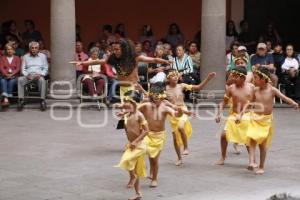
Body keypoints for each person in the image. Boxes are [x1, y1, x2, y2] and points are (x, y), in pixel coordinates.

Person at [75, 39, 171, 102]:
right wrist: (83, 63)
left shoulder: (134, 58)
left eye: (117, 49)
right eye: (114, 49)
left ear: (124, 49)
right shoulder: (113, 59)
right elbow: (99, 61)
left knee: (133, 116)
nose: (115, 51)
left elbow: (153, 60)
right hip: (122, 90)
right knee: (126, 119)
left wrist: (165, 61)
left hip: (134, 88)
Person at [247, 67, 298, 174]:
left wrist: (293, 103)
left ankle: (261, 166)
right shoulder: (255, 90)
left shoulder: (272, 90)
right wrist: (241, 113)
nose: (254, 80)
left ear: (263, 79)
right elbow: (249, 103)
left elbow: (284, 97)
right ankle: (251, 161)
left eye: (255, 78)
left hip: (266, 120)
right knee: (251, 138)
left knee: (262, 145)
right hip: (254, 118)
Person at [166, 70, 216, 165]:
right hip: (173, 113)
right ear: (168, 78)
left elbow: (198, 87)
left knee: (181, 127)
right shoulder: (165, 89)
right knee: (175, 138)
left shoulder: (181, 86)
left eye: (176, 76)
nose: (176, 77)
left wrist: (208, 78)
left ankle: (186, 147)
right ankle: (179, 158)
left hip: (183, 109)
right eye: (173, 76)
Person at [138, 83, 181, 187]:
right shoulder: (146, 105)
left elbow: (175, 114)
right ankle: (140, 174)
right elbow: (134, 110)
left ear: (162, 96)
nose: (156, 98)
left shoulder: (165, 107)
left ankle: (154, 179)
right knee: (147, 154)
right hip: (147, 134)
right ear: (151, 96)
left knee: (155, 158)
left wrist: (179, 112)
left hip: (159, 136)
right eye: (154, 96)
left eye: (158, 96)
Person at [215, 66, 255, 165]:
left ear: (243, 78)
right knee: (223, 136)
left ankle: (252, 160)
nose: (233, 78)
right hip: (234, 115)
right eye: (233, 76)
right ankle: (223, 157)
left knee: (247, 138)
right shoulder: (231, 88)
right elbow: (223, 103)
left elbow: (256, 101)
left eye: (236, 76)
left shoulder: (251, 87)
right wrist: (219, 113)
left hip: (247, 115)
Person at [114, 90, 149, 200]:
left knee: (126, 159)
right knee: (133, 166)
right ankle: (138, 193)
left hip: (140, 144)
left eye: (126, 102)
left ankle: (133, 177)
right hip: (132, 144)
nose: (124, 104)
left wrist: (135, 141)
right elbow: (129, 111)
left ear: (134, 103)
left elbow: (146, 131)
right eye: (124, 101)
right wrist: (123, 113)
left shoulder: (140, 115)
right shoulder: (129, 113)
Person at [18, 41, 48, 111]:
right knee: (20, 79)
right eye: (32, 48)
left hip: (39, 76)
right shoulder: (25, 56)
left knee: (42, 80)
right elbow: (23, 69)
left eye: (36, 48)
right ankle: (21, 100)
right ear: (29, 49)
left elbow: (46, 68)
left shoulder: (43, 56)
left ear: (38, 49)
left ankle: (42, 100)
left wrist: (41, 74)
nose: (34, 49)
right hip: (29, 76)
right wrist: (26, 75)